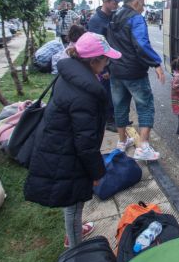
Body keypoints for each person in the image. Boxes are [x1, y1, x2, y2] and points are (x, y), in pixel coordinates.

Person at [24, 32, 122, 249]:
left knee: (71, 202)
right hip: (68, 153)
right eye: (105, 59)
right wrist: (96, 172)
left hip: (60, 144)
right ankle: (76, 250)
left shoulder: (71, 73)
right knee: (74, 202)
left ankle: (74, 231)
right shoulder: (85, 94)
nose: (107, 64)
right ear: (93, 60)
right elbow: (85, 143)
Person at [107, 0, 165, 161]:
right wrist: (156, 63)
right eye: (142, 5)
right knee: (145, 105)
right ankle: (144, 147)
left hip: (115, 70)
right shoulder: (135, 18)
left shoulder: (114, 16)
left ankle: (122, 141)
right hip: (133, 71)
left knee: (120, 106)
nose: (143, 9)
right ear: (136, 2)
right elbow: (141, 44)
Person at [87, 0, 124, 131]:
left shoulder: (111, 17)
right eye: (115, 2)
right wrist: (104, 69)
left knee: (113, 93)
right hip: (103, 65)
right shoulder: (96, 21)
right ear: (106, 1)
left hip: (112, 62)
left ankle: (115, 118)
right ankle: (109, 121)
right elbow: (97, 47)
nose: (117, 5)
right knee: (106, 94)